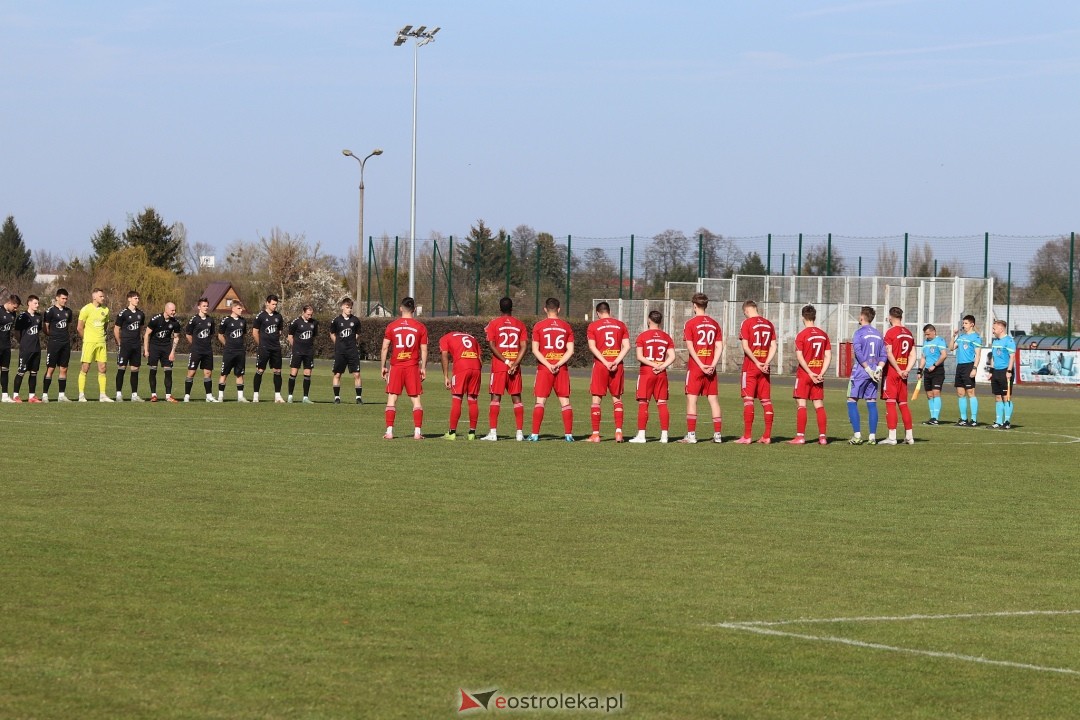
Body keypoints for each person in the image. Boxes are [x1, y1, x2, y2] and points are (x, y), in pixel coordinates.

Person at [480, 296, 528, 441]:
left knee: (495, 397)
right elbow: (524, 346)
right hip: (515, 366)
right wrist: (514, 363)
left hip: (500, 366)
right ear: (512, 309)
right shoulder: (520, 324)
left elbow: (492, 345)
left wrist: (507, 361)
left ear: (500, 309)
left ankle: (493, 433)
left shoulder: (494, 323)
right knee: (517, 398)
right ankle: (519, 433)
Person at [528, 297, 576, 442]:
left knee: (540, 401)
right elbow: (571, 350)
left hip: (544, 368)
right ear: (559, 309)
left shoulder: (539, 326)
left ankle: (535, 435)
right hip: (561, 369)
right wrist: (558, 363)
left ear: (545, 309)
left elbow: (535, 350)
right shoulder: (566, 326)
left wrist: (549, 365)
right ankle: (568, 435)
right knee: (565, 402)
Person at [380, 297, 428, 439]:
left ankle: (389, 432)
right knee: (416, 399)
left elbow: (385, 347)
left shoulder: (392, 326)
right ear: (413, 310)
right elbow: (424, 350)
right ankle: (417, 432)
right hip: (412, 366)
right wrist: (423, 367)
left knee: (392, 398)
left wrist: (383, 366)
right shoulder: (420, 327)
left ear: (400, 308)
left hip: (396, 366)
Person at [681, 292, 724, 443]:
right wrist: (712, 365)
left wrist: (701, 365)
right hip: (711, 368)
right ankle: (717, 435)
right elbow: (720, 346)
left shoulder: (690, 323)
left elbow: (690, 347)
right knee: (714, 401)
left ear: (694, 306)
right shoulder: (714, 324)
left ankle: (691, 435)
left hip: (696, 368)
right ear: (706, 305)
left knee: (692, 401)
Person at [585, 301, 631, 442]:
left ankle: (596, 434)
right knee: (617, 399)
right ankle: (618, 432)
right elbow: (627, 346)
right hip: (617, 365)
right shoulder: (620, 325)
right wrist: (616, 361)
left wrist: (605, 362)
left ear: (598, 313)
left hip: (601, 365)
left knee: (596, 400)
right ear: (609, 311)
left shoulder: (593, 326)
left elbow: (592, 347)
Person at [628, 310, 676, 443]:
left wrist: (653, 364)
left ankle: (641, 435)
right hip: (661, 373)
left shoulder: (642, 336)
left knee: (644, 403)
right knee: (662, 403)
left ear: (649, 320)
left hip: (647, 372)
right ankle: (664, 436)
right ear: (660, 321)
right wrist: (661, 366)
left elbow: (639, 356)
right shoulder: (666, 337)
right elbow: (672, 356)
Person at [735, 299, 777, 444]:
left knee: (748, 400)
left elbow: (746, 347)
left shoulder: (746, 323)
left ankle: (747, 436)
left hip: (751, 366)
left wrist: (757, 362)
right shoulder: (768, 324)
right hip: (765, 367)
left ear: (746, 310)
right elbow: (774, 346)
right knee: (766, 400)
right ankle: (767, 436)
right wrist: (766, 362)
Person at [789, 304, 831, 445]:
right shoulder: (823, 334)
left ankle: (800, 436)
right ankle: (823, 437)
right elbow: (828, 356)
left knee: (801, 404)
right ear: (814, 317)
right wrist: (820, 373)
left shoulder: (801, 335)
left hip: (805, 374)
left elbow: (800, 357)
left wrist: (810, 372)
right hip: (818, 373)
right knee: (818, 404)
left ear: (803, 318)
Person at [847, 306, 884, 444]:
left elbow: (858, 352)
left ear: (862, 317)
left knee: (851, 400)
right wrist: (878, 369)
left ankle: (857, 436)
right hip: (875, 372)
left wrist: (867, 369)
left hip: (861, 371)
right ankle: (872, 437)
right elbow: (883, 354)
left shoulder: (859, 333)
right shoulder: (878, 334)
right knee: (871, 401)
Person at [880, 306, 915, 445]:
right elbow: (913, 354)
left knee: (890, 403)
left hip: (892, 372)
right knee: (903, 404)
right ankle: (909, 436)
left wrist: (898, 370)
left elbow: (889, 353)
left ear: (890, 317)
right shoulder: (909, 333)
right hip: (904, 373)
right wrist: (906, 369)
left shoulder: (890, 333)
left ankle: (892, 437)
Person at [439, 329, 483, 440]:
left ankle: (452, 432)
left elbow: (444, 356)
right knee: (472, 399)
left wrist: (445, 376)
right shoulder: (472, 337)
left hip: (462, 366)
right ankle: (472, 433)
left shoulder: (445, 337)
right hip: (476, 367)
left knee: (457, 398)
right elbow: (480, 359)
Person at [77, 288, 112, 402]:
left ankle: (102, 395)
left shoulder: (105, 310)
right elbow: (79, 327)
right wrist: (86, 339)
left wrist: (101, 336)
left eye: (103, 296)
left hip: (101, 342)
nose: (103, 298)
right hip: (89, 343)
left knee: (102, 368)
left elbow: (105, 324)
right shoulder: (86, 309)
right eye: (101, 296)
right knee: (85, 367)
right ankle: (81, 395)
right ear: (94, 297)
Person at [143, 302, 182, 402]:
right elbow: (147, 334)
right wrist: (146, 350)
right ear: (166, 309)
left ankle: (168, 396)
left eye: (175, 310)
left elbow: (176, 337)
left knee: (168, 371)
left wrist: (173, 352)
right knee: (153, 370)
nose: (174, 312)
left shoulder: (175, 323)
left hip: (166, 348)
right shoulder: (155, 319)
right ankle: (153, 395)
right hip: (154, 347)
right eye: (172, 310)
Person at [949, 314, 984, 427]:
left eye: (966, 323)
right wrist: (953, 336)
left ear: (972, 324)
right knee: (960, 393)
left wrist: (974, 368)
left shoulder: (976, 337)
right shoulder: (961, 336)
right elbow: (951, 348)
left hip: (969, 366)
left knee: (970, 392)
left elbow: (978, 355)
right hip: (960, 366)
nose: (963, 325)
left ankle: (973, 419)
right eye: (963, 323)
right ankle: (963, 419)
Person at [113, 290, 146, 401]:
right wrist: (119, 343)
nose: (137, 300)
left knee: (135, 369)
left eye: (138, 298)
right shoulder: (123, 313)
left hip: (136, 345)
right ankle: (118, 394)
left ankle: (134, 395)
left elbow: (141, 329)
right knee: (121, 368)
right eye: (135, 298)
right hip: (125, 345)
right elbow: (116, 329)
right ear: (129, 299)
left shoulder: (141, 314)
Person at [252, 294, 285, 403]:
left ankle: (277, 396)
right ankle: (256, 396)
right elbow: (255, 333)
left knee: (277, 371)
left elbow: (279, 331)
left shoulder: (278, 317)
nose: (275, 306)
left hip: (275, 348)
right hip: (264, 348)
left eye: (276, 304)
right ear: (267, 303)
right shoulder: (260, 316)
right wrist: (261, 344)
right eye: (273, 304)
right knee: (260, 370)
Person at [42, 288, 74, 402]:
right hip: (54, 343)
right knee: (51, 368)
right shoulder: (50, 311)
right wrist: (53, 336)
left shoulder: (68, 312)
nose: (64, 300)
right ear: (57, 298)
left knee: (64, 368)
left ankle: (61, 395)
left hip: (65, 343)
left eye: (66, 298)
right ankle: (45, 395)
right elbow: (45, 328)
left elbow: (68, 326)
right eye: (63, 298)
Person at [329, 298, 363, 405]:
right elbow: (332, 333)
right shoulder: (336, 321)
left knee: (356, 374)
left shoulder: (355, 321)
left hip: (352, 351)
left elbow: (357, 334)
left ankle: (358, 398)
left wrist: (351, 342)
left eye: (351, 308)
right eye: (347, 307)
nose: (349, 310)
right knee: (337, 374)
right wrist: (338, 344)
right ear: (342, 307)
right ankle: (337, 397)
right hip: (340, 352)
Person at [184, 298, 217, 402]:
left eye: (207, 306)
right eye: (204, 306)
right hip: (196, 351)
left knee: (208, 373)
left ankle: (209, 396)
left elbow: (211, 334)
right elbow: (188, 334)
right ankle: (187, 396)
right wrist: (195, 345)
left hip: (207, 351)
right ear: (199, 307)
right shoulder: (194, 319)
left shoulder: (210, 320)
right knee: (191, 372)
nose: (206, 308)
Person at [11, 295, 43, 402]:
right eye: (35, 303)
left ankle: (31, 396)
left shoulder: (38, 317)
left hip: (36, 349)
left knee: (34, 372)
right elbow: (17, 332)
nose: (37, 305)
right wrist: (23, 343)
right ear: (29, 303)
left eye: (38, 303)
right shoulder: (22, 316)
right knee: (21, 371)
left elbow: (38, 330)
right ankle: (15, 395)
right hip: (26, 349)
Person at [216, 300, 248, 402]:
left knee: (240, 373)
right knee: (224, 373)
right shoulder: (226, 320)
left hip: (240, 351)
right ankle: (220, 396)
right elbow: (220, 335)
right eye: (239, 308)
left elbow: (244, 335)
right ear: (233, 308)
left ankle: (240, 397)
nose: (241, 310)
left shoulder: (243, 321)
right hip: (229, 352)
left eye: (241, 308)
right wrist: (227, 345)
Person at [988, 319, 1017, 430]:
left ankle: (1007, 421)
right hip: (996, 372)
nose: (993, 330)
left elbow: (1012, 357)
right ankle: (998, 421)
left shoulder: (1009, 341)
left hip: (1005, 371)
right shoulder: (995, 341)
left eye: (994, 328)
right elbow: (993, 358)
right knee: (998, 396)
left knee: (1006, 397)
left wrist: (1009, 371)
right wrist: (991, 371)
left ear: (1001, 329)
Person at [287, 305, 318, 403]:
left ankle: (305, 397)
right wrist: (295, 347)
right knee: (294, 373)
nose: (310, 316)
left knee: (308, 373)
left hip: (308, 352)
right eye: (308, 314)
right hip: (297, 352)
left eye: (311, 314)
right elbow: (290, 337)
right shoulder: (296, 322)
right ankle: (290, 396)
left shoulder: (314, 323)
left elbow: (313, 336)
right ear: (303, 312)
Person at [918, 324, 948, 425]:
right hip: (927, 371)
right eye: (925, 335)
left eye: (928, 334)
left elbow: (944, 355)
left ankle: (935, 418)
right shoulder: (926, 342)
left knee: (936, 393)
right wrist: (919, 370)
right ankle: (932, 418)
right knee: (929, 395)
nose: (926, 336)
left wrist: (935, 365)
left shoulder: (940, 340)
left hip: (937, 371)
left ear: (933, 331)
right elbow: (923, 357)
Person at [1, 294, 22, 403]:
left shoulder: (13, 314)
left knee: (5, 371)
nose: (16, 309)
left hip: (6, 346)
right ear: (9, 302)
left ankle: (4, 396)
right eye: (15, 306)